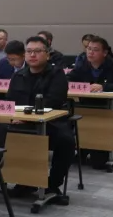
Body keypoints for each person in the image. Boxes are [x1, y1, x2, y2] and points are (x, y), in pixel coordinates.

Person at [6, 36, 74, 198]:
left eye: (37, 51)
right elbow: (10, 102)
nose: (32, 55)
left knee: (66, 141)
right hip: (21, 122)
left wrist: (26, 118)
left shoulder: (57, 74)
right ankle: (23, 181)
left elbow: (54, 101)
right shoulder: (18, 75)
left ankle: (53, 184)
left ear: (47, 55)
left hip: (51, 122)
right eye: (29, 51)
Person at [69, 36, 113, 165]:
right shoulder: (83, 65)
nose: (90, 52)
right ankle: (83, 148)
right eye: (88, 49)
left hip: (111, 107)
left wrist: (104, 87)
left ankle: (112, 147)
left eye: (95, 50)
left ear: (105, 53)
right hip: (86, 106)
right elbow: (68, 78)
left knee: (99, 163)